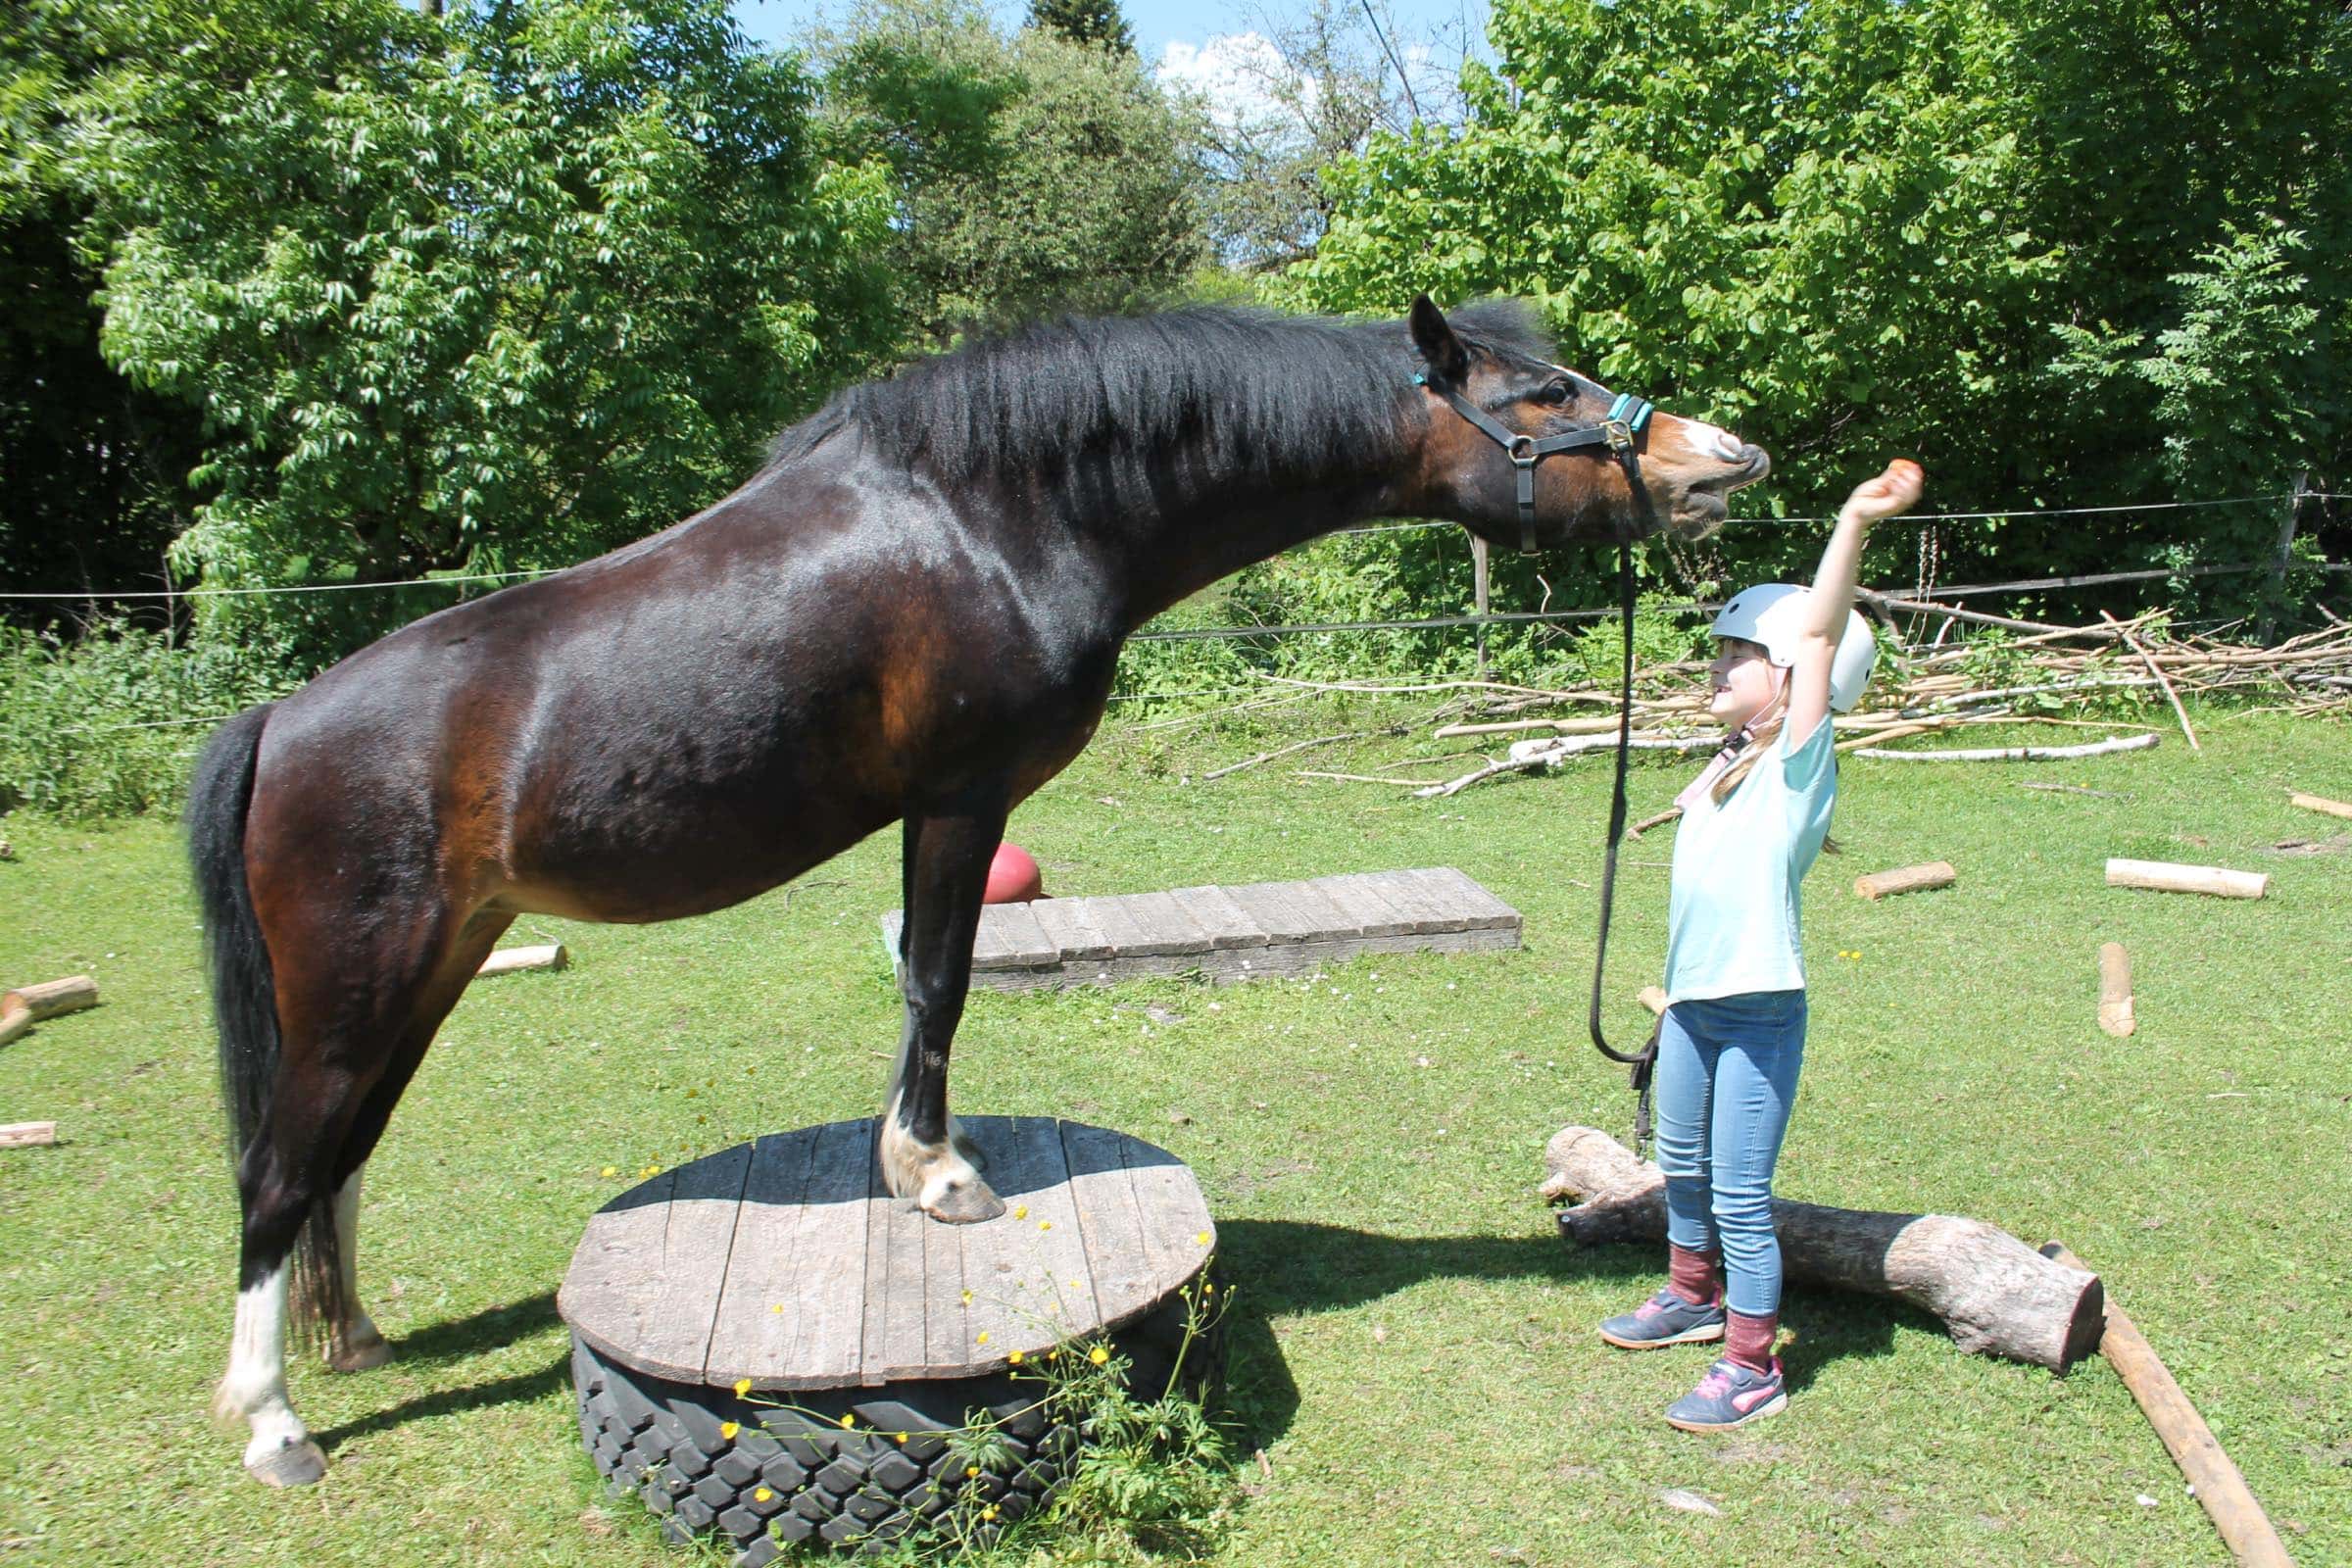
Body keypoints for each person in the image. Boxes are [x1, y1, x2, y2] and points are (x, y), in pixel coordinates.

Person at [1595, 458, 1926, 1433]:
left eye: (1738, 653)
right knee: (1685, 1171)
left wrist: (1854, 518)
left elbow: (1820, 627)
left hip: (1759, 1011)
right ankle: (1692, 1296)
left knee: (1742, 1195)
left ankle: (1753, 1365)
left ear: (1789, 678)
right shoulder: (1732, 766)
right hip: (1695, 1007)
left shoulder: (1796, 770)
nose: (1715, 663)